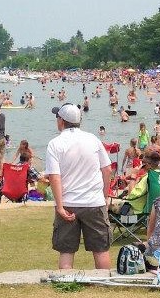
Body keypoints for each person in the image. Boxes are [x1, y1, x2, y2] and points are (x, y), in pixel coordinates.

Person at [45, 104, 112, 270]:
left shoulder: (55, 143)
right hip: (94, 202)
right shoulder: (93, 139)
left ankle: (67, 284)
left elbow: (54, 176)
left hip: (68, 202)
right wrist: (105, 195)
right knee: (100, 249)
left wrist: (59, 206)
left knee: (66, 250)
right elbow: (107, 169)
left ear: (61, 121)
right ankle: (105, 286)